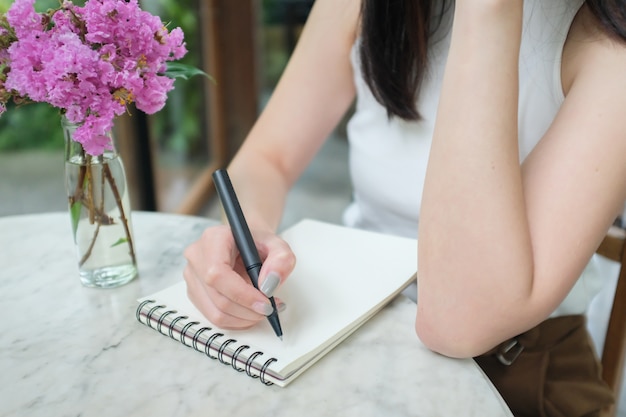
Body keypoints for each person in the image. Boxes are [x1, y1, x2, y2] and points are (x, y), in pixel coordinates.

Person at [183, 0, 626, 414]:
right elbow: (267, 160)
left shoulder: (607, 48)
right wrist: (251, 232)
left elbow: (457, 321)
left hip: (520, 375)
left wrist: (488, 12)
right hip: (353, 329)